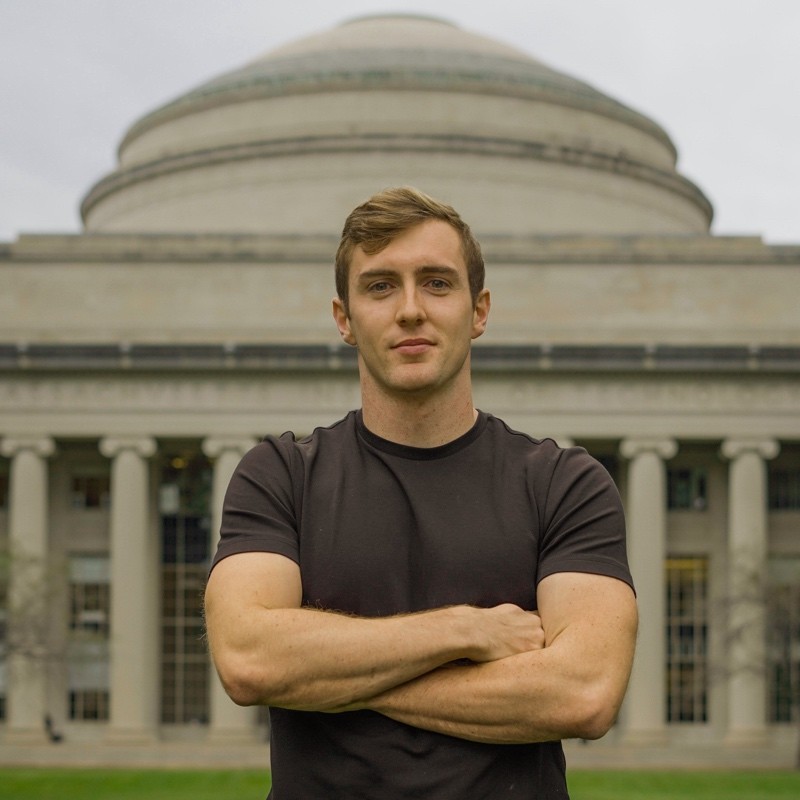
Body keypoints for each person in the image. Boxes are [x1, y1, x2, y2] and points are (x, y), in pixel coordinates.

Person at [204, 187, 638, 799]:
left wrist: (333, 678)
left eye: (436, 283)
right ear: (344, 319)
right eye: (380, 286)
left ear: (479, 310)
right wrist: (465, 632)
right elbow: (249, 659)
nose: (410, 309)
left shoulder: (564, 482)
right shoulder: (280, 474)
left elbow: (585, 693)